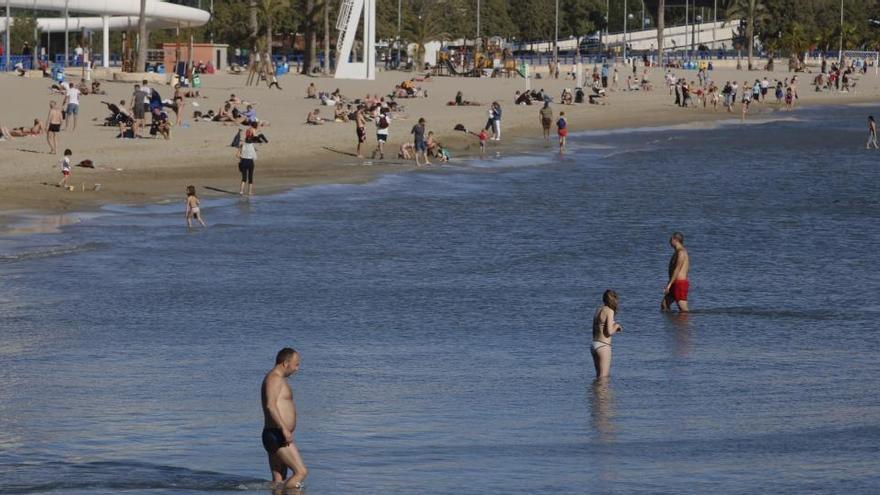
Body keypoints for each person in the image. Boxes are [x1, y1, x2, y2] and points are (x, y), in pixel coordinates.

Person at [261, 347, 308, 490]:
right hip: (277, 434)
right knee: (301, 472)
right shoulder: (274, 378)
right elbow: (270, 406)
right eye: (296, 364)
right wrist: (284, 430)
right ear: (286, 363)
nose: (297, 368)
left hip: (275, 434)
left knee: (278, 481)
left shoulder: (277, 378)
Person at [591, 290, 622, 378]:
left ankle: (595, 392)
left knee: (598, 376)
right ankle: (603, 392)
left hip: (594, 344)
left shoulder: (598, 309)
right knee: (604, 377)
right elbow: (609, 332)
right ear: (614, 299)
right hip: (603, 346)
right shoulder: (609, 311)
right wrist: (616, 326)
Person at [661, 231, 690, 312]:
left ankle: (684, 323)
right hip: (674, 283)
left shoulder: (681, 252)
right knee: (664, 305)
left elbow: (677, 269)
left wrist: (669, 285)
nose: (669, 241)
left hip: (680, 283)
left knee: (683, 309)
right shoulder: (677, 252)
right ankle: (673, 323)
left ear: (675, 240)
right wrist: (670, 283)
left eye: (671, 239)